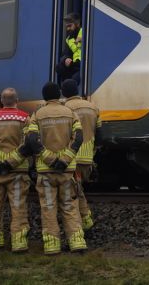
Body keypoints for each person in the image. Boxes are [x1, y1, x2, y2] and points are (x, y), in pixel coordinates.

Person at [23, 82, 86, 255]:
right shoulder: (70, 113)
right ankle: (77, 242)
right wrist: (64, 159)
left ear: (44, 96)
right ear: (59, 95)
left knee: (48, 207)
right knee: (70, 206)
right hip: (66, 171)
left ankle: (52, 245)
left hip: (46, 171)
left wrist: (49, 159)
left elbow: (32, 140)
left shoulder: (37, 115)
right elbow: (79, 138)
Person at [0, 87, 33, 252]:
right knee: (18, 209)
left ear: (1, 101)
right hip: (17, 172)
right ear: (17, 100)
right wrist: (11, 163)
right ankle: (19, 244)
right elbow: (29, 143)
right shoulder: (24, 118)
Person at [61, 79, 101, 231]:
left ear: (63, 93)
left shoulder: (64, 108)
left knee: (71, 195)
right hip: (87, 158)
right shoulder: (93, 107)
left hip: (70, 158)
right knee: (78, 190)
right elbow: (100, 134)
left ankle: (79, 229)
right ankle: (86, 221)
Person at [56, 13, 82, 85]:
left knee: (74, 79)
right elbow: (65, 54)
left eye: (70, 26)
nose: (68, 29)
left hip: (82, 65)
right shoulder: (69, 39)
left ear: (77, 24)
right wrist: (66, 59)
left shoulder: (85, 33)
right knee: (59, 67)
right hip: (74, 65)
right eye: (67, 26)